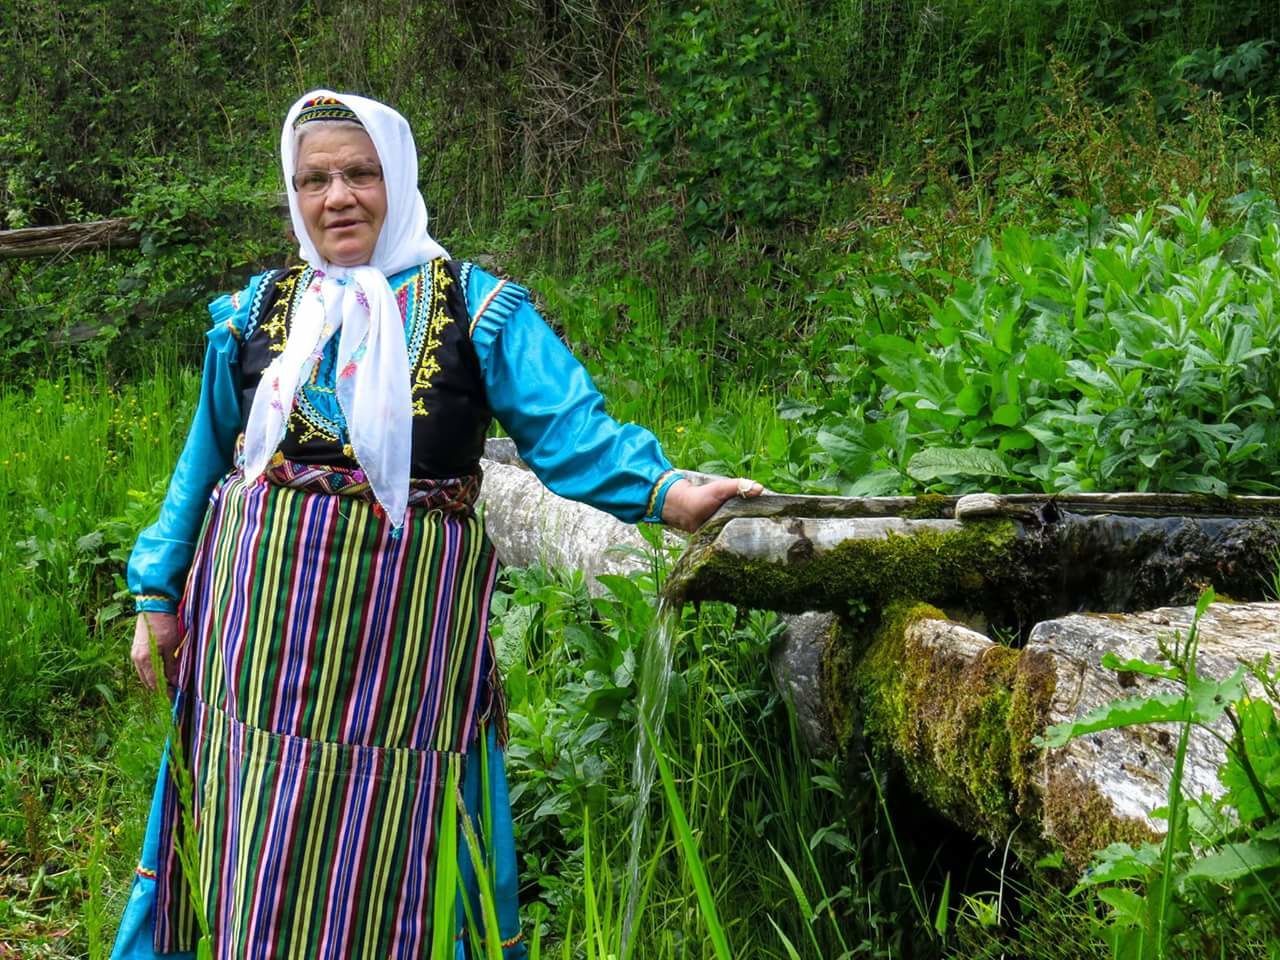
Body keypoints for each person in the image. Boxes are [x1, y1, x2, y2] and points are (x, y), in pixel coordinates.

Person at [111, 90, 762, 959]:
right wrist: (157, 591)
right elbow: (204, 464)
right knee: (250, 812)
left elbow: (571, 433)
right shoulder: (257, 312)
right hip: (252, 637)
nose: (337, 196)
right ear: (293, 195)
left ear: (399, 177)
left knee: (398, 828)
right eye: (313, 179)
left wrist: (671, 492)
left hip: (402, 649)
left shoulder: (477, 308)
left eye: (359, 172)